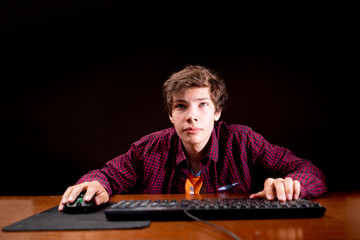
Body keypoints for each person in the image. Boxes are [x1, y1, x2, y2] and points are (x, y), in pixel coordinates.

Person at [58, 65, 327, 211]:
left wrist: (294, 185)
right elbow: (107, 176)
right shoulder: (149, 148)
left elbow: (309, 170)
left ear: (217, 111)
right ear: (170, 116)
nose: (192, 116)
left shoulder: (243, 141)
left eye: (202, 105)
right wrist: (93, 186)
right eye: (181, 106)